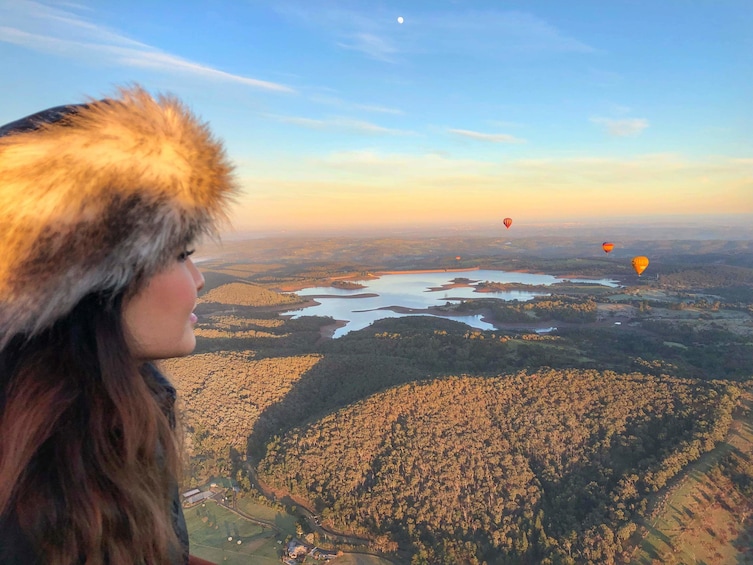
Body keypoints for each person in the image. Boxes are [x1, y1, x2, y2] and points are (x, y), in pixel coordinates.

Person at [0, 86, 237, 564]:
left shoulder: (101, 423)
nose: (200, 279)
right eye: (182, 254)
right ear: (92, 284)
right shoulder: (43, 502)